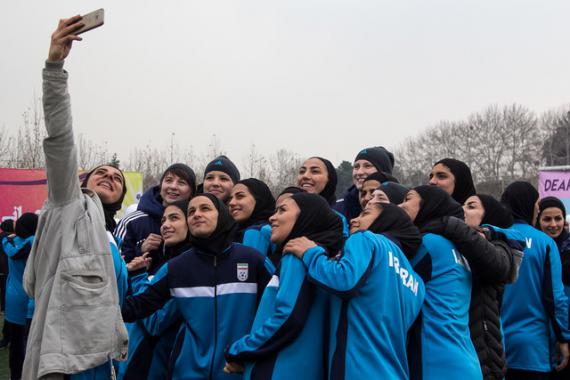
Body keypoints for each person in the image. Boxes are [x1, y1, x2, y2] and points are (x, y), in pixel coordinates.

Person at [22, 16, 129, 379]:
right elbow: (60, 139)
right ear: (83, 180)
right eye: (101, 172)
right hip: (65, 366)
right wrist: (55, 67)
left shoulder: (111, 238)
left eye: (116, 177)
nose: (110, 176)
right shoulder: (70, 204)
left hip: (103, 363)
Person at [122, 193, 273, 379]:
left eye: (205, 208)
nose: (196, 214)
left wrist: (252, 352)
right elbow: (138, 307)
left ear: (222, 214)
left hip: (239, 371)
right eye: (191, 211)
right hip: (186, 373)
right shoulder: (177, 267)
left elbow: (276, 312)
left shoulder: (252, 260)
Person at [289, 202, 425, 379]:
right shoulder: (417, 281)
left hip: (358, 371)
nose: (354, 219)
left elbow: (343, 280)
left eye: (365, 214)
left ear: (386, 220)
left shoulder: (366, 239)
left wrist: (311, 253)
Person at [225, 193, 344, 380]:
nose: (272, 217)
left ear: (307, 216)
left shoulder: (296, 257)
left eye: (282, 210)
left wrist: (240, 350)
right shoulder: (322, 261)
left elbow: (288, 318)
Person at [423, 193, 524, 380]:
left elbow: (502, 257)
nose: (463, 210)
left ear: (488, 216)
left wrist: (452, 225)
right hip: (465, 355)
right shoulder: (451, 243)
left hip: (485, 355)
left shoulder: (498, 247)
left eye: (471, 206)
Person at [399, 185, 481, 380]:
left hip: (435, 360)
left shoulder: (429, 243)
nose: (400, 205)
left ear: (429, 205)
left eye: (407, 199)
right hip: (466, 359)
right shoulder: (458, 247)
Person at [500, 182, 570, 379]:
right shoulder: (544, 243)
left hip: (497, 345)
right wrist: (564, 338)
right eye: (537, 204)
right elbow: (556, 297)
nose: (538, 208)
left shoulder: (492, 236)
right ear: (529, 204)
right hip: (533, 349)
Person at [117, 200, 190, 379]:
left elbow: (155, 322)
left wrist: (139, 277)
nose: (165, 225)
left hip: (153, 367)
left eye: (174, 218)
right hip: (136, 361)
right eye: (163, 220)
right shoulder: (164, 260)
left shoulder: (186, 266)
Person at [115, 163, 196, 272]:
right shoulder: (132, 221)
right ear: (161, 186)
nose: (173, 186)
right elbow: (114, 266)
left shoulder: (196, 221)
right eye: (168, 180)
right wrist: (141, 251)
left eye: (181, 183)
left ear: (192, 192)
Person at [1, 213, 37, 380]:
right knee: (29, 342)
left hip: (14, 297)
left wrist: (5, 238)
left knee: (17, 344)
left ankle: (17, 375)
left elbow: (13, 252)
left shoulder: (11, 241)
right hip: (31, 298)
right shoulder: (36, 242)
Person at [335, 146, 396, 220]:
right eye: (356, 167)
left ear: (383, 171)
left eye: (367, 166)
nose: (359, 172)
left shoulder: (402, 204)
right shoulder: (336, 209)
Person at [297, 157, 349, 236]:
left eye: (315, 171)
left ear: (329, 179)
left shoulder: (336, 220)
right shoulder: (284, 213)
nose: (305, 176)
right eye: (302, 171)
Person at [228, 178, 275, 257]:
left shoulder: (258, 231)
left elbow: (249, 267)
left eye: (240, 196)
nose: (231, 203)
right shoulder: (232, 232)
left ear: (258, 200)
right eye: (230, 199)